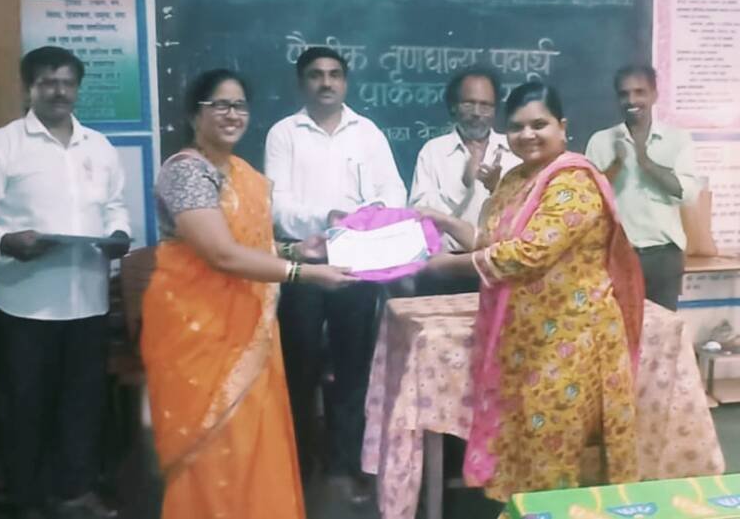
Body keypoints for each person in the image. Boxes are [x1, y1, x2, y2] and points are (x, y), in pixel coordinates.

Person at [140, 68, 354, 519]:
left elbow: (252, 246)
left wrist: (298, 249)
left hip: (248, 332)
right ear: (194, 115)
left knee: (253, 442)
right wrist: (304, 273)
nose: (232, 114)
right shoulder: (185, 173)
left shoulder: (243, 174)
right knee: (214, 449)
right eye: (219, 105)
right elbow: (221, 254)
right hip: (199, 335)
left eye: (239, 105)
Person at [423, 82, 644, 503]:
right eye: (517, 126)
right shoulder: (516, 179)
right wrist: (444, 222)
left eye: (539, 124)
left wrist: (447, 266)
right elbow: (492, 240)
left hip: (570, 344)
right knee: (524, 444)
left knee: (552, 451)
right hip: (524, 342)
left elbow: (528, 253)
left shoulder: (574, 181)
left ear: (562, 126)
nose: (527, 135)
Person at [0, 46, 131, 519]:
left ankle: (76, 491)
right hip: (25, 304)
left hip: (87, 299)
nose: (59, 91)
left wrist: (118, 234)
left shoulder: (98, 146)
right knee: (24, 406)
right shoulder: (2, 145)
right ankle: (26, 500)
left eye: (67, 82)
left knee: (83, 403)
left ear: (78, 88)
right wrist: (5, 240)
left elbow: (114, 206)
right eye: (48, 82)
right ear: (28, 88)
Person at [264, 46, 406, 501]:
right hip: (304, 265)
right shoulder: (283, 134)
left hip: (357, 262)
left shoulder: (368, 132)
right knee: (299, 366)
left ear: (345, 82)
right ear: (301, 83)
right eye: (316, 75)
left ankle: (347, 461)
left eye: (334, 74)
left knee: (354, 366)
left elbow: (394, 191)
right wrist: (327, 217)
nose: (326, 82)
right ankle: (299, 462)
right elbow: (277, 205)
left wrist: (367, 216)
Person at [585, 64, 698, 311]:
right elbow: (588, 200)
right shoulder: (601, 141)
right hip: (617, 255)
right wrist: (616, 165)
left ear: (654, 95)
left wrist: (645, 161)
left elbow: (688, 193)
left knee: (662, 328)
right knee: (618, 328)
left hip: (663, 258)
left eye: (640, 92)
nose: (631, 100)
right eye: (624, 94)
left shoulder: (677, 140)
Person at [409, 66, 520, 295]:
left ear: (495, 109)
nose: (477, 112)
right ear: (453, 106)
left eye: (485, 105)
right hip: (444, 269)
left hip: (500, 268)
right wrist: (464, 183)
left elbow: (525, 216)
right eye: (469, 104)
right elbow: (420, 216)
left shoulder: (514, 151)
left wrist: (497, 188)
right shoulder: (433, 151)